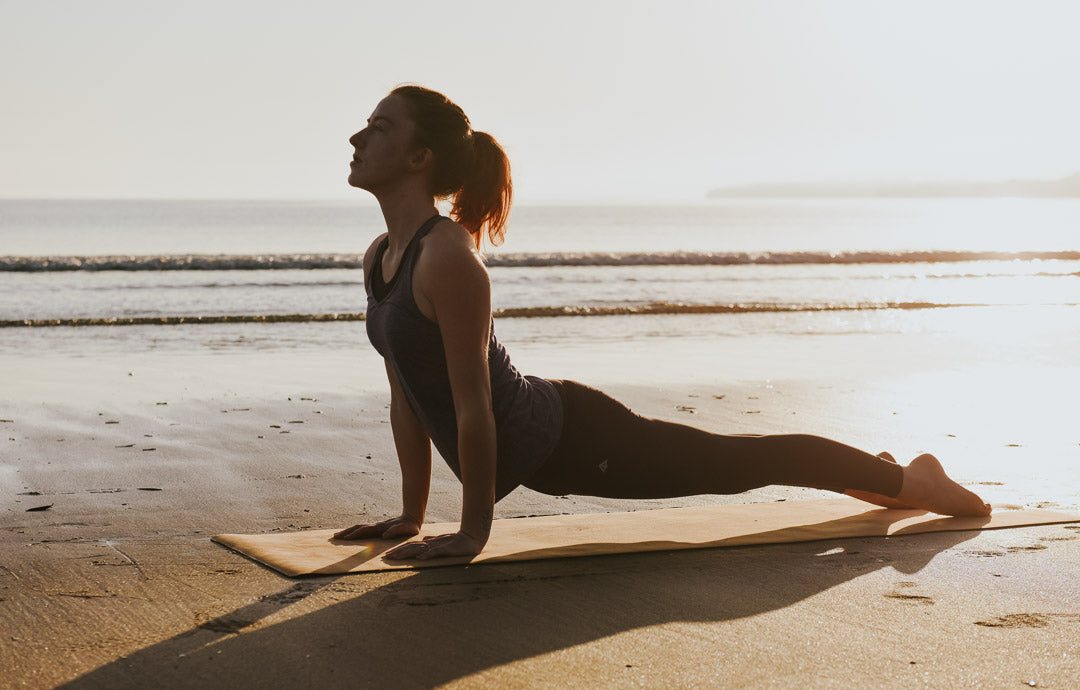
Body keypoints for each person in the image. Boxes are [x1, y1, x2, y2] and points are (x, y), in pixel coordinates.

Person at [333, 85, 991, 560]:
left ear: (421, 158)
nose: (358, 138)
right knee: (734, 459)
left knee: (737, 463)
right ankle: (875, 473)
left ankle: (914, 479)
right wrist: (411, 517)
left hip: (572, 436)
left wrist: (473, 531)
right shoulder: (382, 259)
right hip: (545, 436)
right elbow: (409, 399)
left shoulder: (447, 259)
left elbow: (474, 409)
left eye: (379, 127)